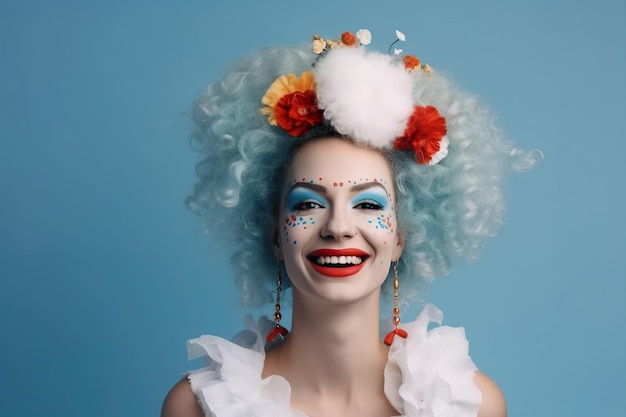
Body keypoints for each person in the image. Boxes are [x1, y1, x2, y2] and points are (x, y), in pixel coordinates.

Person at [161, 29, 538, 417]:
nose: (338, 227)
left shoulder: (468, 406)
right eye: (308, 202)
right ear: (275, 236)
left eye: (369, 205)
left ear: (400, 238)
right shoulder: (200, 407)